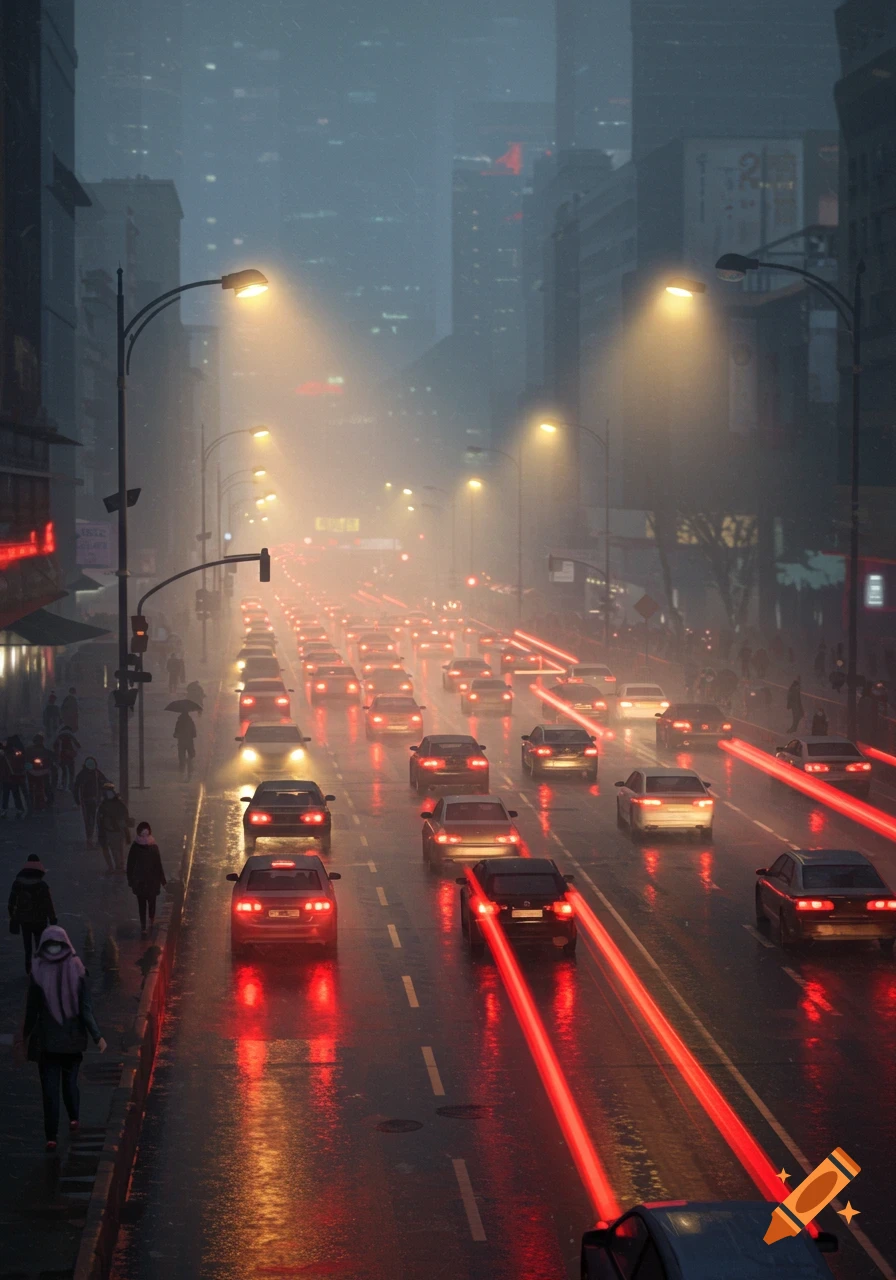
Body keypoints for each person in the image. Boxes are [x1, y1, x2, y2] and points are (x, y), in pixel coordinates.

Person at [22, 926, 106, 1151]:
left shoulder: (38, 973)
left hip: (47, 1042)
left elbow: (31, 1011)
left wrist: (25, 1036)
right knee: (70, 1082)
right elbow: (85, 1010)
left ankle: (51, 1137)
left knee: (50, 1091)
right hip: (72, 1039)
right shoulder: (77, 970)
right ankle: (74, 1118)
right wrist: (97, 1036)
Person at [8, 855, 57, 974]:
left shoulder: (18, 884)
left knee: (27, 946)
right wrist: (52, 918)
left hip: (25, 920)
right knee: (40, 944)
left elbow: (11, 902)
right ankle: (40, 969)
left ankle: (28, 968)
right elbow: (48, 903)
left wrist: (13, 917)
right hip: (40, 920)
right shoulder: (42, 885)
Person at [126, 822, 167, 935]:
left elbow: (158, 865)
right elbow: (130, 865)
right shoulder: (135, 848)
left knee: (152, 903)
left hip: (152, 881)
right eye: (142, 834)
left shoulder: (154, 847)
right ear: (139, 834)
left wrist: (163, 881)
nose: (144, 837)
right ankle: (143, 926)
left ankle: (151, 920)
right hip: (140, 882)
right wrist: (131, 880)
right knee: (142, 905)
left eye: (146, 834)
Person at [96, 783, 132, 873]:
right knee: (118, 848)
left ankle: (114, 867)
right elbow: (125, 816)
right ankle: (119, 866)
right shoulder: (119, 803)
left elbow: (100, 818)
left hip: (110, 829)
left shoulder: (104, 804)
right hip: (116, 829)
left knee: (113, 848)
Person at [72, 756, 108, 844]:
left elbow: (75, 788)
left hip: (90, 800)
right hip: (91, 800)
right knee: (92, 819)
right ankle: (91, 838)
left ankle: (90, 838)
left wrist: (77, 801)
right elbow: (105, 783)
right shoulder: (95, 773)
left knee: (89, 820)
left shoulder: (83, 774)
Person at [1, 736, 27, 818]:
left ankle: (5, 809)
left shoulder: (4, 752)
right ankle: (19, 808)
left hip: (7, 777)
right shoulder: (16, 752)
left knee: (6, 794)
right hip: (13, 776)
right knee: (15, 794)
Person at [25, 735, 53, 811]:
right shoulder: (45, 751)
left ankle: (33, 802)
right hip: (39, 771)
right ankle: (48, 800)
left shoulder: (29, 750)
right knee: (45, 786)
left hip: (34, 771)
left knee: (35, 787)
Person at [53, 725, 80, 790]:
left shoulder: (59, 737)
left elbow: (54, 747)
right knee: (71, 772)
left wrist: (57, 757)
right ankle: (71, 786)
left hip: (61, 757)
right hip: (70, 757)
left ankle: (62, 785)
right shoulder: (71, 736)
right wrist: (73, 753)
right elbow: (78, 746)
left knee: (63, 771)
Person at [173, 711, 197, 776]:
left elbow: (175, 734)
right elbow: (194, 734)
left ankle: (181, 774)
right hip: (189, 742)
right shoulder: (190, 721)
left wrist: (178, 735)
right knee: (191, 757)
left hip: (181, 742)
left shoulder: (179, 722)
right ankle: (190, 773)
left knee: (181, 758)